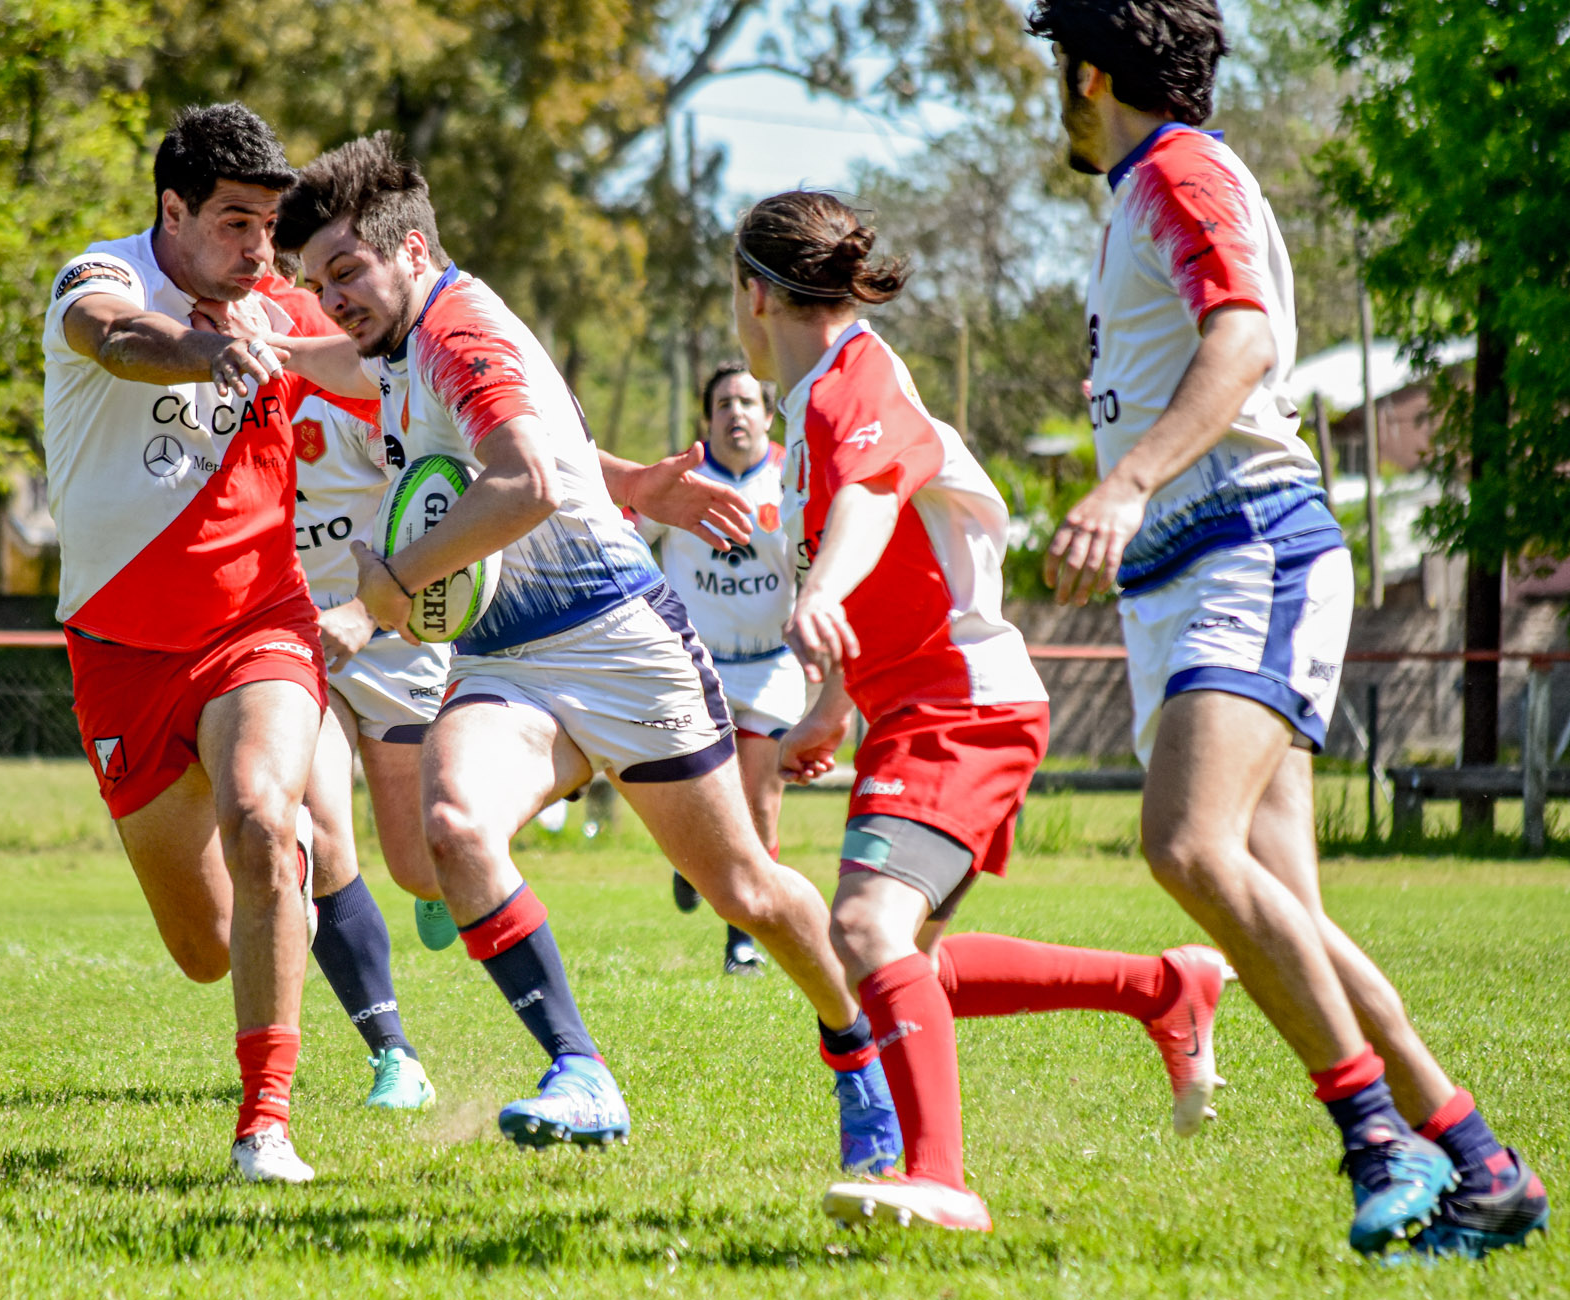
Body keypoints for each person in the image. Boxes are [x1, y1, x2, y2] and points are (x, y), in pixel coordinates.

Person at [272, 133, 905, 1173]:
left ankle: (855, 1048)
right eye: (314, 281)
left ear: (413, 249)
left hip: (617, 641)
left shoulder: (457, 333)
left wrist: (379, 596)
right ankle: (581, 1072)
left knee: (746, 887)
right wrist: (284, 348)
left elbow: (521, 483)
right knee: (451, 828)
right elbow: (455, 410)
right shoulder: (406, 337)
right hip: (503, 658)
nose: (331, 297)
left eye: (345, 271)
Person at [1026, 0, 1547, 1257]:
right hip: (1186, 575)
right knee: (1280, 912)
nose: (1055, 92)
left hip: (1240, 550)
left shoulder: (1180, 170)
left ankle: (1373, 1138)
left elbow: (1244, 336)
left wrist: (1127, 479)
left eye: (1058, 68)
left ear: (1092, 72)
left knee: (1184, 847)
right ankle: (1478, 1160)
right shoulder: (1140, 190)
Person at [733, 189, 1234, 1233]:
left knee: (868, 928)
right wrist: (831, 701)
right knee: (905, 963)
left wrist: (818, 591)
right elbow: (884, 552)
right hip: (915, 702)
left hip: (959, 704)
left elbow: (874, 490)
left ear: (750, 295)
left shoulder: (852, 382)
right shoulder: (811, 402)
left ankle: (939, 1177)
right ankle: (1162, 988)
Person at [41, 102, 401, 1183]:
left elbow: (432, 379)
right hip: (117, 650)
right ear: (172, 209)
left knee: (260, 822)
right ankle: (267, 902)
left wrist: (614, 479)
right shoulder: (97, 276)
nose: (258, 249)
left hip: (259, 625)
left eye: (268, 226)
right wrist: (210, 351)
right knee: (202, 950)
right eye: (236, 223)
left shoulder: (282, 308)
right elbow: (108, 335)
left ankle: (265, 1125)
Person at [286, 375, 445, 1110]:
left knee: (420, 864)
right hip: (296, 641)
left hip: (392, 635)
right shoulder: (210, 404)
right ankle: (396, 1056)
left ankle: (442, 876)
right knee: (315, 831)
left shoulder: (346, 391)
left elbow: (451, 481)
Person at [633, 364, 801, 975]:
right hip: (694, 667)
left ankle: (743, 941)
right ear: (708, 420)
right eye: (724, 403)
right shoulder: (684, 478)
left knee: (759, 806)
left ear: (766, 412)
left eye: (748, 401)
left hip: (772, 665)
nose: (736, 413)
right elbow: (627, 534)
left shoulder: (792, 477)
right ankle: (690, 865)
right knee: (701, 803)